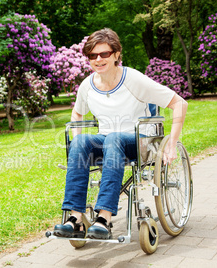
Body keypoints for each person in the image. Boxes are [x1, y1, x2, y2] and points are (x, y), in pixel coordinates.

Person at [53, 28, 188, 240]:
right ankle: (75, 218)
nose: (98, 59)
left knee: (114, 138)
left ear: (116, 54)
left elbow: (179, 103)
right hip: (108, 142)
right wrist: (80, 143)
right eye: (93, 55)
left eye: (104, 54)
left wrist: (172, 143)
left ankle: (104, 219)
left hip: (139, 142)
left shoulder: (133, 79)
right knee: (80, 141)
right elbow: (77, 113)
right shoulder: (87, 86)